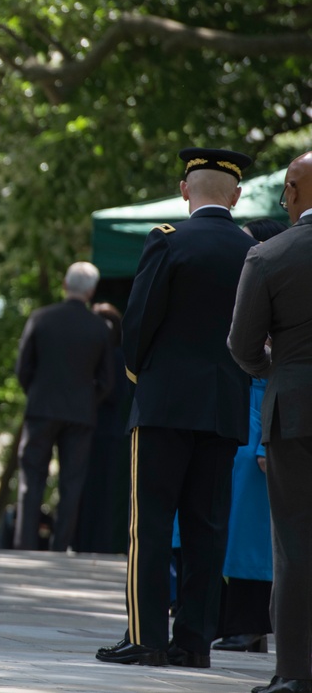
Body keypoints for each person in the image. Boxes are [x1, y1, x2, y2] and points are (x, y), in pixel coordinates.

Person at [96, 147, 257, 669]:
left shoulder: (167, 241)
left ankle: (145, 637)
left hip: (165, 403)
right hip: (225, 406)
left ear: (185, 190)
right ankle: (194, 642)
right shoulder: (251, 249)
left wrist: (143, 379)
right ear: (235, 196)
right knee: (208, 529)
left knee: (152, 524)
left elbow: (137, 325)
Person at [228, 152, 312, 693]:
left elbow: (241, 344)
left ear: (294, 191)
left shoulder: (271, 255)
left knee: (295, 543)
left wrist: (274, 369)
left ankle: (297, 671)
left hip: (295, 409)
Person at [212, 218, 285, 655]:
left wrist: (261, 442)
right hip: (247, 418)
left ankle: (250, 623)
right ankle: (242, 623)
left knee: (252, 535)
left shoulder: (275, 283)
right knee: (241, 531)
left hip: (262, 420)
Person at [13, 261, 113, 552]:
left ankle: (25, 546)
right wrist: (87, 401)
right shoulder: (100, 328)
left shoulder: (40, 318)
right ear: (92, 291)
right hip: (81, 415)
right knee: (72, 481)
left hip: (41, 409)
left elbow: (23, 368)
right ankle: (60, 546)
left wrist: (36, 394)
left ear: (65, 285)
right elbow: (107, 380)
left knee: (31, 479)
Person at [73, 302, 130, 554]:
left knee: (94, 489)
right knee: (100, 490)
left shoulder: (110, 357)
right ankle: (93, 543)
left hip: (100, 431)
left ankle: (88, 542)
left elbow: (115, 393)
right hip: (107, 432)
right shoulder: (117, 357)